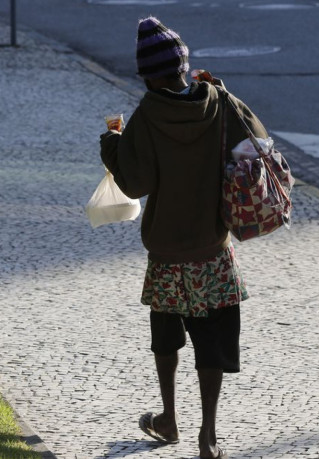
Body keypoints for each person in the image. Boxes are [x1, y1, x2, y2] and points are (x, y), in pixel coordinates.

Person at [99, 16, 269, 459]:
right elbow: (260, 140)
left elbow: (135, 183)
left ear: (149, 76)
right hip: (212, 248)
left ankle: (170, 419)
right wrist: (226, 91)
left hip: (168, 252)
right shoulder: (217, 101)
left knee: (167, 337)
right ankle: (207, 436)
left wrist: (111, 144)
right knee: (211, 340)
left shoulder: (148, 114)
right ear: (183, 66)